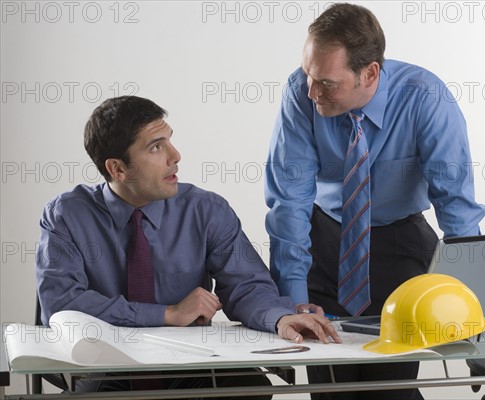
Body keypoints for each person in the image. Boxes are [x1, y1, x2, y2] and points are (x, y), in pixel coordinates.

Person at [264, 3, 485, 400]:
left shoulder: (425, 97)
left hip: (399, 242)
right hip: (327, 241)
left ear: (370, 73)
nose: (312, 91)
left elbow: (455, 202)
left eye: (327, 83)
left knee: (389, 387)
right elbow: (289, 201)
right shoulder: (302, 93)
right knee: (331, 389)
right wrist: (293, 298)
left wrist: (473, 295)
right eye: (308, 75)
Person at [36, 95, 341, 399]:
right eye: (156, 147)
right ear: (117, 169)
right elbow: (62, 303)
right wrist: (166, 314)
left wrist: (279, 317)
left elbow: (247, 285)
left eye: (169, 140)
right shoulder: (66, 215)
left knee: (250, 388)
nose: (176, 155)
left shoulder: (206, 210)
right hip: (107, 366)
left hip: (190, 363)